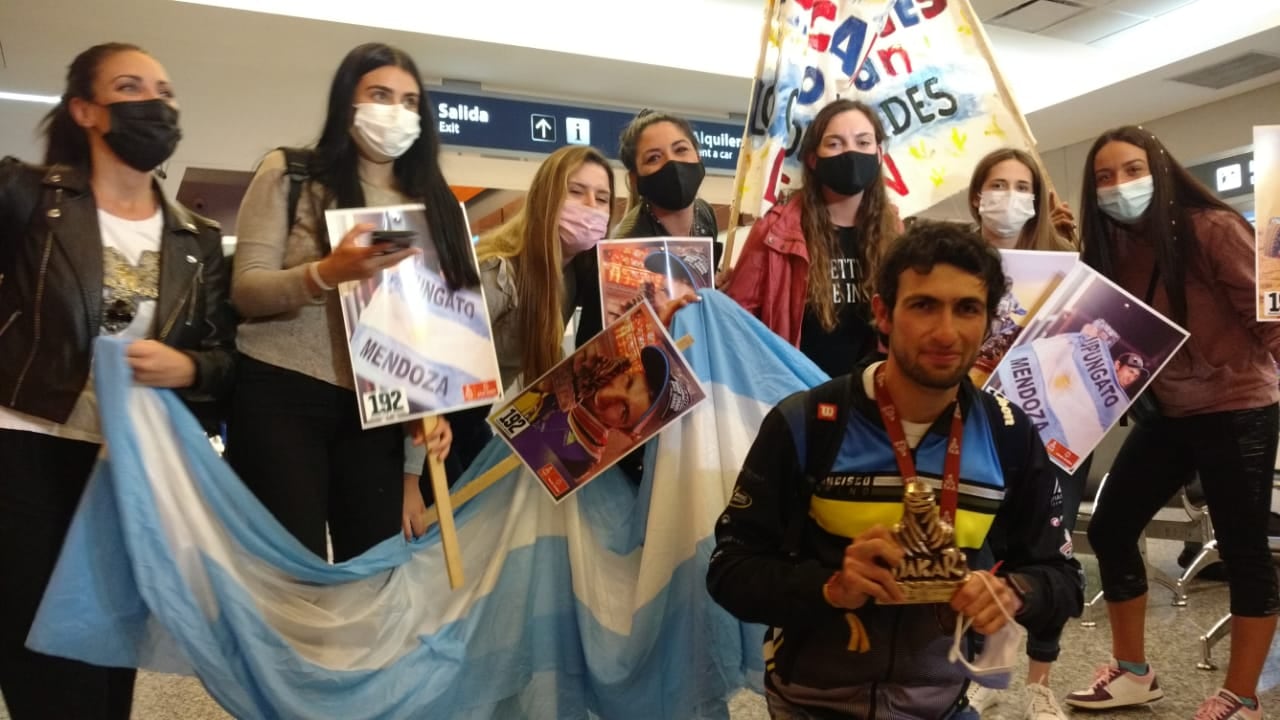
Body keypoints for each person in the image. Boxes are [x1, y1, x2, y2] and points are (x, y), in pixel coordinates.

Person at [707, 221, 1084, 719]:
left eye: (967, 309)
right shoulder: (807, 423)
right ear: (883, 313)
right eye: (924, 305)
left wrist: (1016, 592)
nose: (946, 332)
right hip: (811, 704)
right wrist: (831, 586)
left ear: (990, 322)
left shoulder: (1008, 433)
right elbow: (730, 570)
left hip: (943, 704)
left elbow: (1063, 577)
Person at [0, 42, 236, 719]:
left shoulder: (194, 236)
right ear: (86, 111)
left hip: (130, 458)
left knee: (109, 633)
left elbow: (223, 358)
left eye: (163, 88)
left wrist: (188, 366)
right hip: (26, 443)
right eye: (130, 87)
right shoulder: (28, 197)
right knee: (35, 640)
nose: (154, 103)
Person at [1064, 126, 1280, 720]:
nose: (1119, 186)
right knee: (1109, 529)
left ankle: (1240, 697)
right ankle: (1134, 672)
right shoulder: (1109, 245)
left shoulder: (1210, 230)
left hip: (1238, 407)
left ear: (1160, 170)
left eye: (1132, 170)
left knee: (1244, 552)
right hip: (1173, 411)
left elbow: (1270, 319)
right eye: (1104, 177)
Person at [228, 43, 457, 560]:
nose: (395, 111)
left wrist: (429, 408)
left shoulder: (431, 205)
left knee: (372, 570)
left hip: (375, 408)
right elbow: (247, 287)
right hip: (281, 393)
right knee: (288, 570)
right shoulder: (291, 173)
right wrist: (326, 273)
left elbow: (423, 327)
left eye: (409, 100)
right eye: (380, 95)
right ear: (347, 103)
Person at [964, 148, 1088, 719]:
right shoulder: (958, 259)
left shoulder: (1068, 267)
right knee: (980, 547)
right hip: (980, 426)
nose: (1009, 195)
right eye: (997, 184)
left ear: (1037, 198)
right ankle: (987, 670)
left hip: (1056, 423)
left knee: (1048, 552)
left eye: (1021, 185)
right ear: (976, 195)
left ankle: (1041, 683)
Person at [724, 99, 902, 378]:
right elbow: (736, 322)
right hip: (794, 395)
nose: (851, 153)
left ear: (879, 154)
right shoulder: (775, 230)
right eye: (834, 143)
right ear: (813, 159)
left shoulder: (894, 231)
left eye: (863, 142)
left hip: (868, 398)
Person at [475, 145, 616, 392]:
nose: (592, 205)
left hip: (479, 414)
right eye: (575, 191)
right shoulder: (498, 272)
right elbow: (435, 355)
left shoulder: (573, 273)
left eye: (602, 198)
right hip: (440, 418)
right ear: (545, 197)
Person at [968, 148, 1076, 252]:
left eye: (1021, 188)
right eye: (998, 186)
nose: (1010, 196)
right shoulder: (955, 260)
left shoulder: (1060, 259)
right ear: (976, 197)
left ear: (1034, 200)